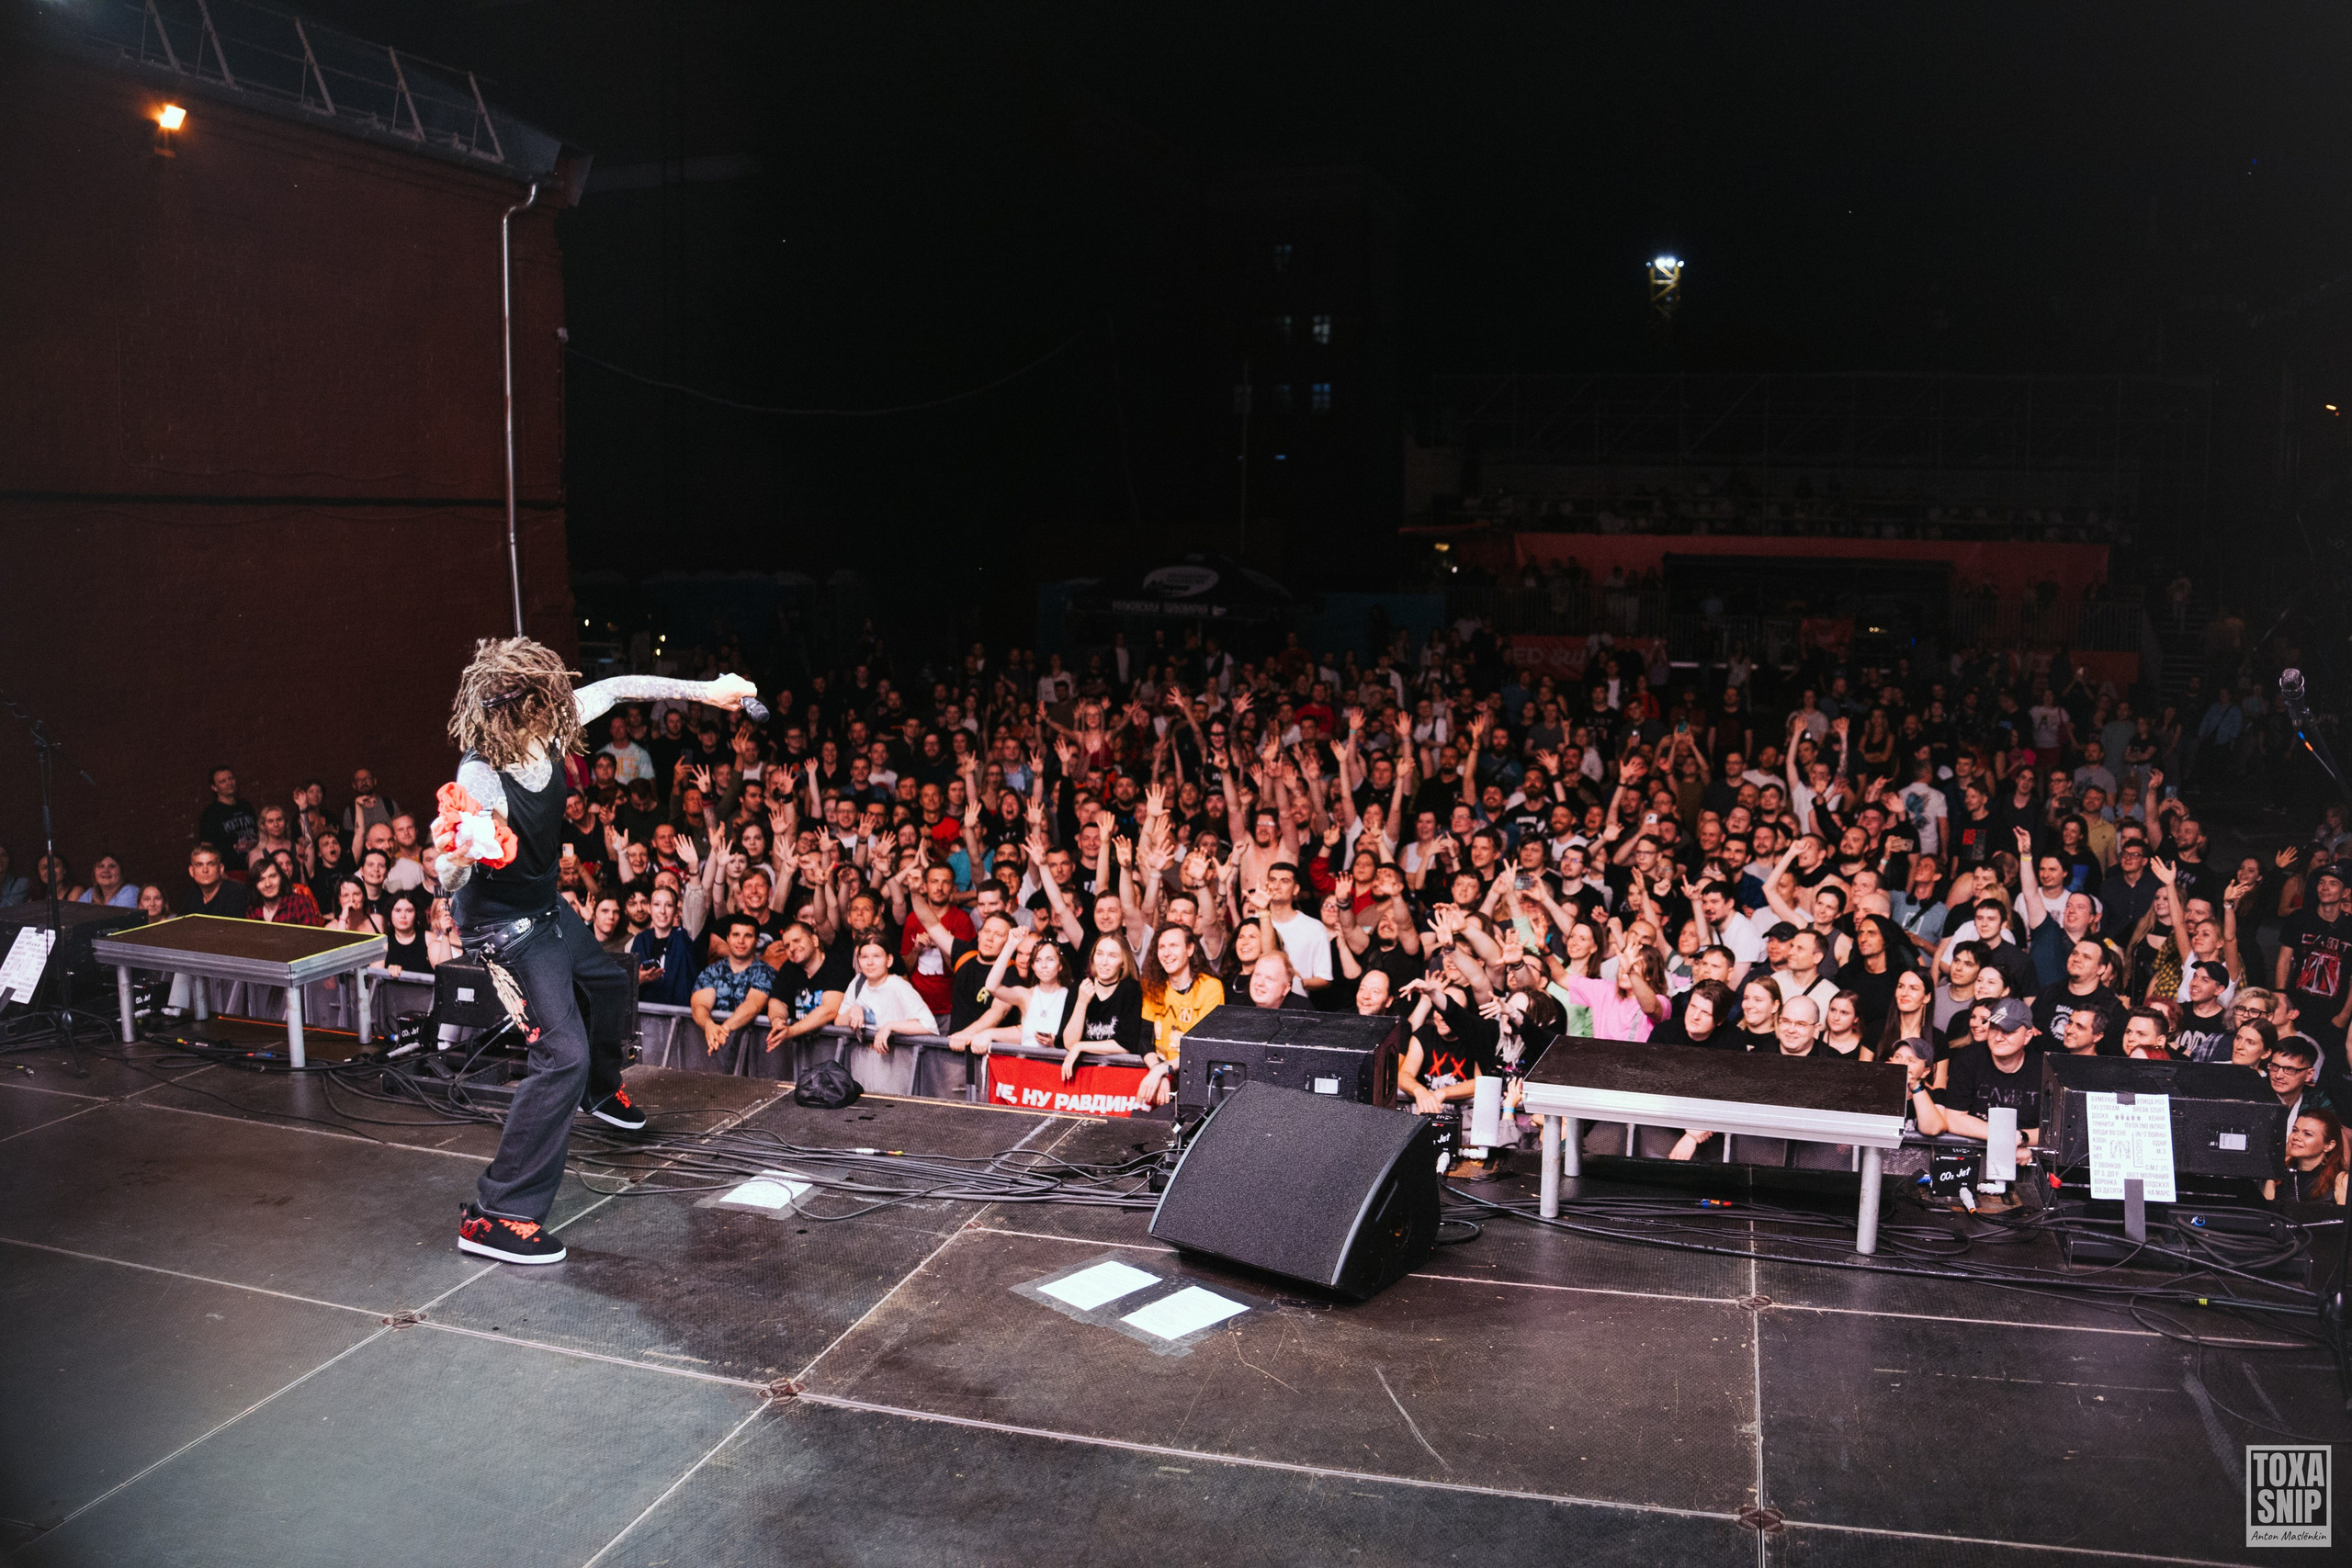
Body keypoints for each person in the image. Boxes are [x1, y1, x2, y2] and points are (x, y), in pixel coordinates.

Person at [435, 637, 756, 1264]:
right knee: (562, 1056)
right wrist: (459, 850)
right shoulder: (481, 775)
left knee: (612, 983)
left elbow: (621, 686)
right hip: (506, 929)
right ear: (518, 708)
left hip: (544, 906)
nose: (560, 707)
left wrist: (707, 692)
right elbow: (449, 878)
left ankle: (601, 1090)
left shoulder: (551, 726)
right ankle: (497, 1211)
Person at [2264, 1109, 2347, 1206]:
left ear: (2329, 1146)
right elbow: (2267, 1213)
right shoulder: (2280, 1172)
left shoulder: (2341, 1180)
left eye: (2307, 1134)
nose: (2296, 1137)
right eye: (2295, 1130)